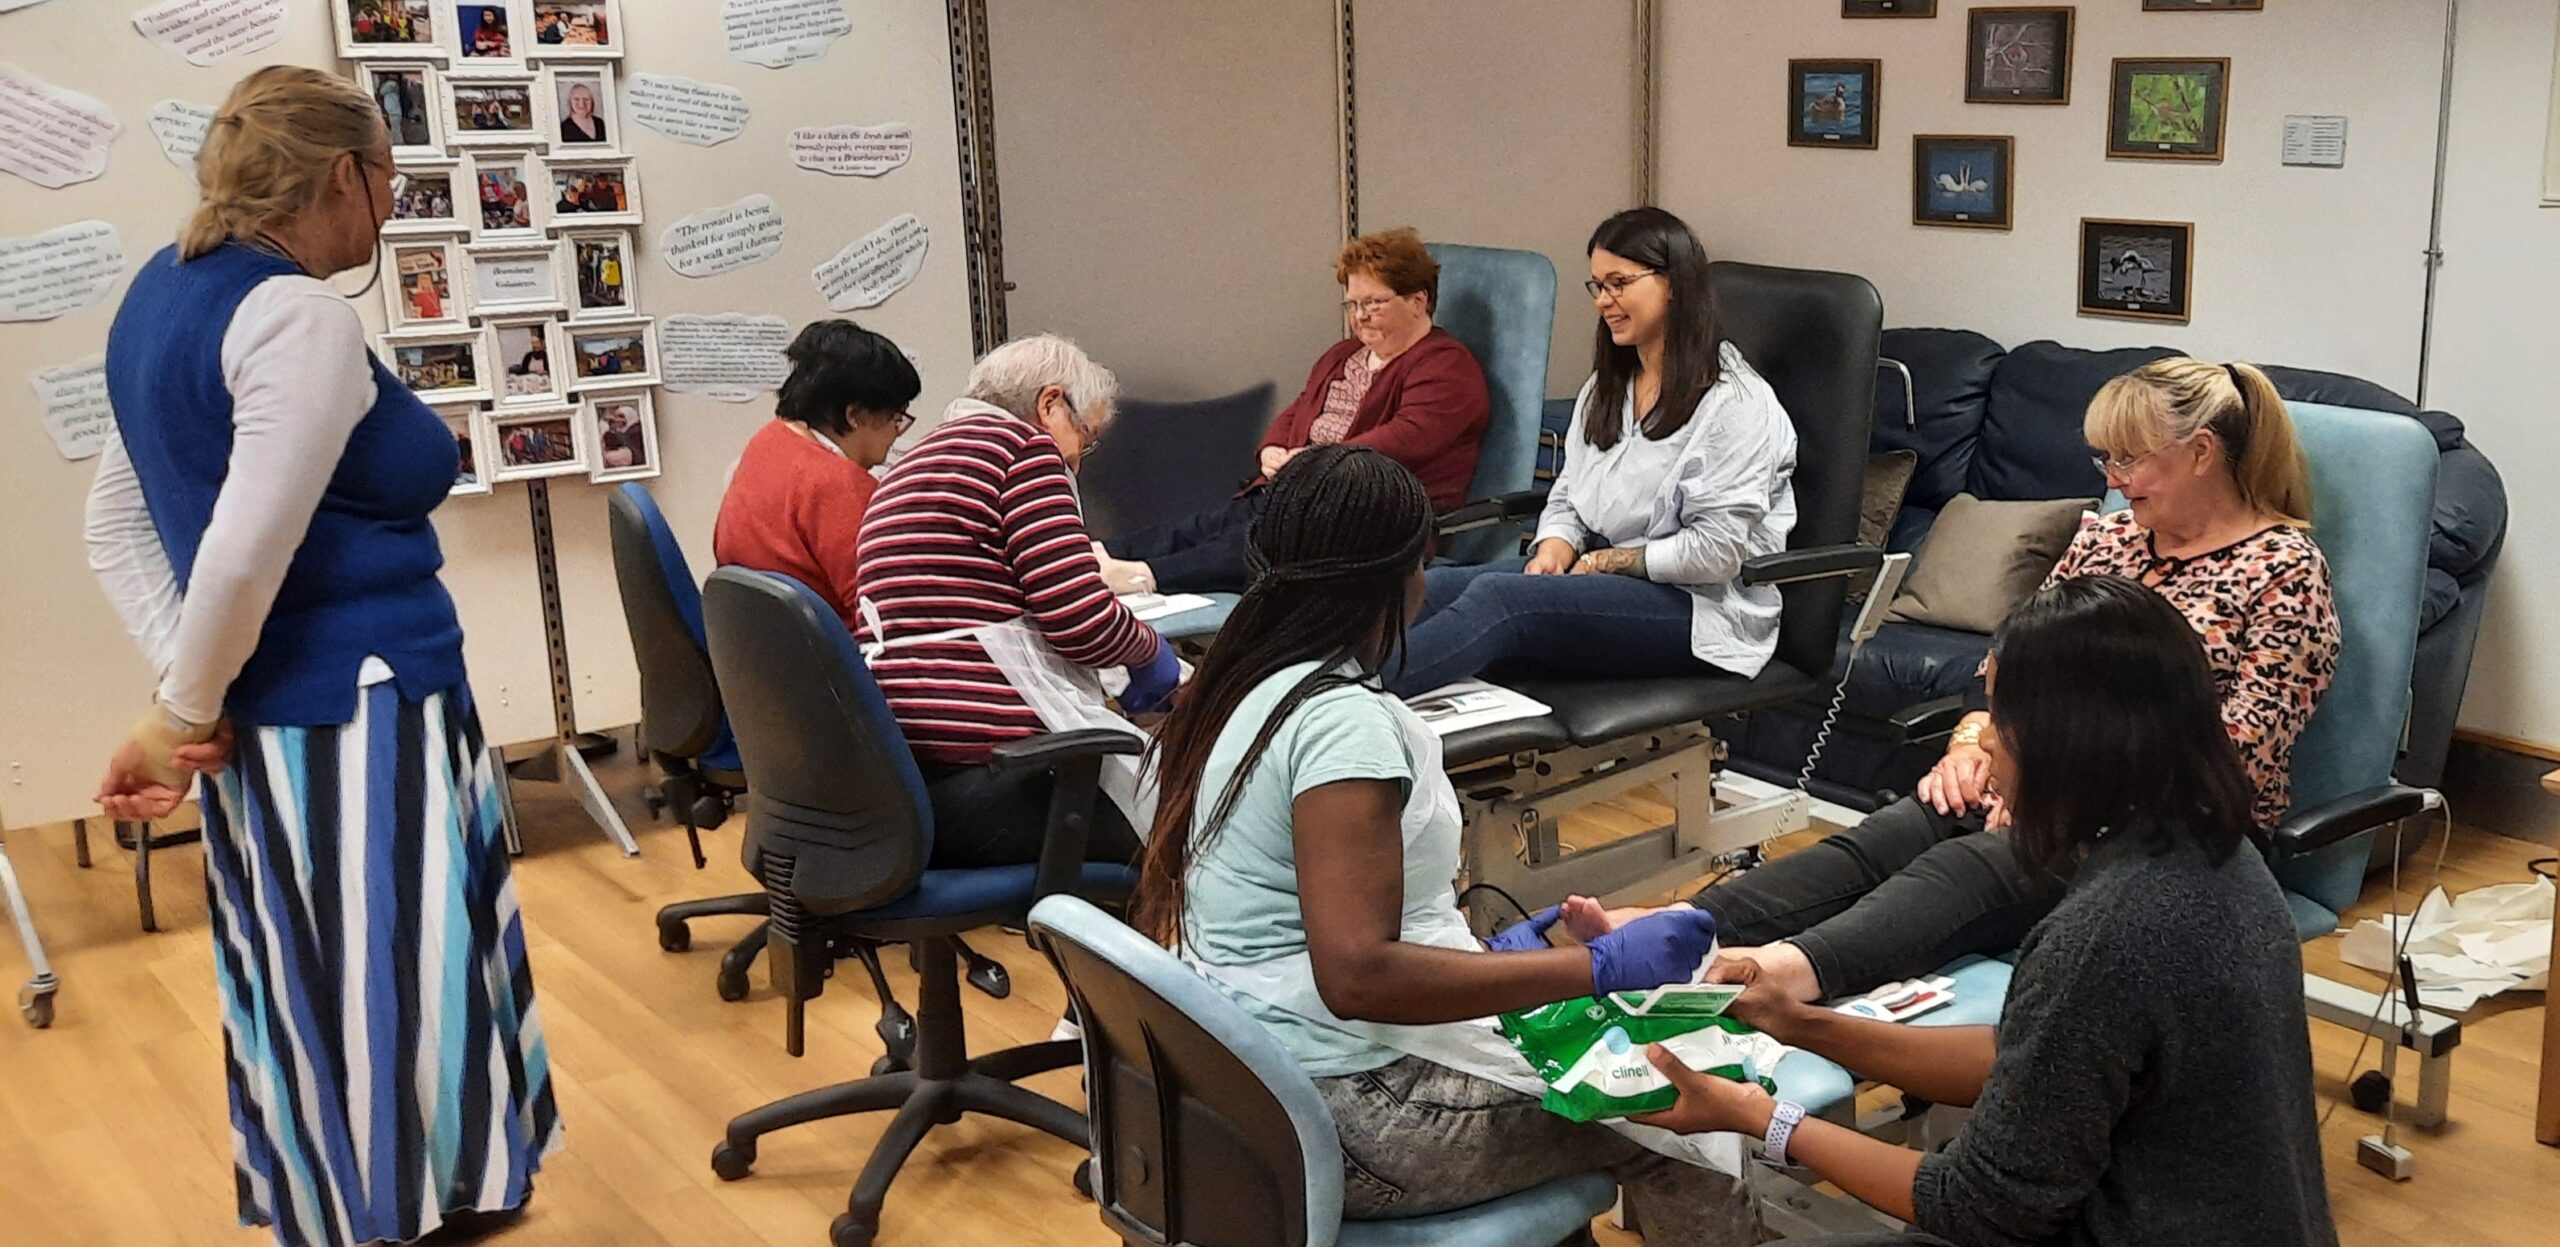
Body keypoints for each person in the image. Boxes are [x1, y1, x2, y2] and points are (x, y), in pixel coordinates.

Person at [85, 66, 558, 1247]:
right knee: (387, 975)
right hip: (355, 705)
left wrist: (190, 700)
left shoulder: (165, 291)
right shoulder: (299, 316)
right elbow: (243, 550)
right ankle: (395, 1210)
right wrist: (178, 707)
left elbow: (120, 521)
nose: (390, 210)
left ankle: (396, 1191)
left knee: (328, 974)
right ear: (344, 174)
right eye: (388, 180)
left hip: (295, 712)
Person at [1130, 445, 1753, 1243]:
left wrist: (1497, 960)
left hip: (1257, 1088)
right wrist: (1595, 967)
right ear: (1405, 575)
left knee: (1592, 1074)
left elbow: (1307, 923)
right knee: (1694, 1113)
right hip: (1357, 1113)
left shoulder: (1236, 683)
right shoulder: (1342, 724)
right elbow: (1357, 973)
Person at [1577, 357, 2340, 1007]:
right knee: (1886, 839)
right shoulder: (2109, 538)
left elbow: (2235, 757)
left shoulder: (2282, 573)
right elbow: (2013, 663)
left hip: (2173, 836)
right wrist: (1975, 741)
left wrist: (2048, 787)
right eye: (2105, 459)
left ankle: (1776, 979)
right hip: (2039, 789)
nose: (2113, 480)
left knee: (1965, 864)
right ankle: (1671, 927)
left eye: (2129, 461)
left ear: (2202, 452)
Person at [1631, 576, 2339, 1247]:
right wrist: (1798, 1020)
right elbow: (2025, 1059)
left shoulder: (2109, 932)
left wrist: (1757, 1114)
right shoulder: (2216, 856)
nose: (1987, 738)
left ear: (2070, 738)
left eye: (2003, 717)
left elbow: (1976, 1206)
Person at [1384, 206, 1795, 697]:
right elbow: (1567, 495)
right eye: (1597, 286)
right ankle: (1309, 683)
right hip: (1600, 577)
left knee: (1500, 600)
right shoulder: (1608, 388)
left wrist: (1608, 562)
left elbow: (1717, 553)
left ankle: (1348, 703)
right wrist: (1556, 544)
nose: (1604, 301)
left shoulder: (1736, 405)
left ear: (1674, 284)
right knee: (1430, 589)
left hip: (1701, 614)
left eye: (1619, 283)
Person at [855, 333, 1183, 870]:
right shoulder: (1023, 452)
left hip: (914, 775)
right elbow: (1080, 620)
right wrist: (1150, 652)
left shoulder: (906, 469)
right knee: (1195, 831)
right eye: (1086, 436)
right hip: (1004, 779)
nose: (1077, 463)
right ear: (1050, 404)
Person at [1097, 227, 1490, 595]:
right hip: (1304, 493)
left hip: (1372, 519)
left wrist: (1318, 462)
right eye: (1353, 304)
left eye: (1373, 303)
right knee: (1205, 527)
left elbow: (1406, 438)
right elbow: (1300, 409)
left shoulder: (1446, 366)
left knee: (1255, 541)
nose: (1360, 316)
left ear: (1418, 301)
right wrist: (1273, 448)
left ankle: (1143, 577)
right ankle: (1093, 559)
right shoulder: (1344, 355)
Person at [715, 319, 922, 630]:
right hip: (830, 659)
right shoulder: (841, 486)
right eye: (895, 416)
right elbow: (886, 612)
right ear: (853, 416)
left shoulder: (769, 441)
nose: (897, 429)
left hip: (765, 645)